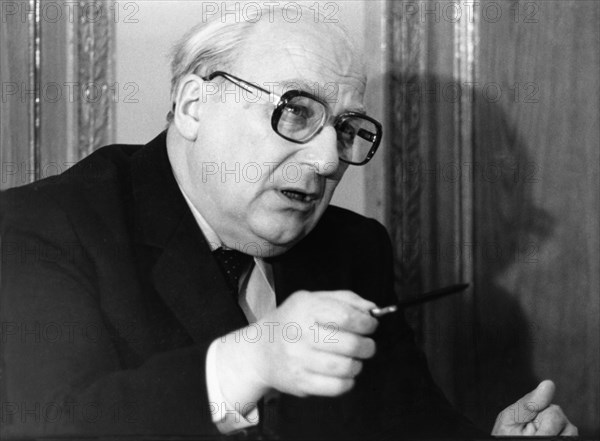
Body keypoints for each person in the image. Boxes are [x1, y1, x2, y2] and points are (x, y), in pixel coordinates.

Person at [0, 6, 576, 439]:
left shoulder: (353, 249)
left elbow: (407, 425)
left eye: (347, 129)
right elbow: (51, 424)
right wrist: (253, 359)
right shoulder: (42, 228)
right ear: (195, 105)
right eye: (297, 112)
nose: (329, 162)